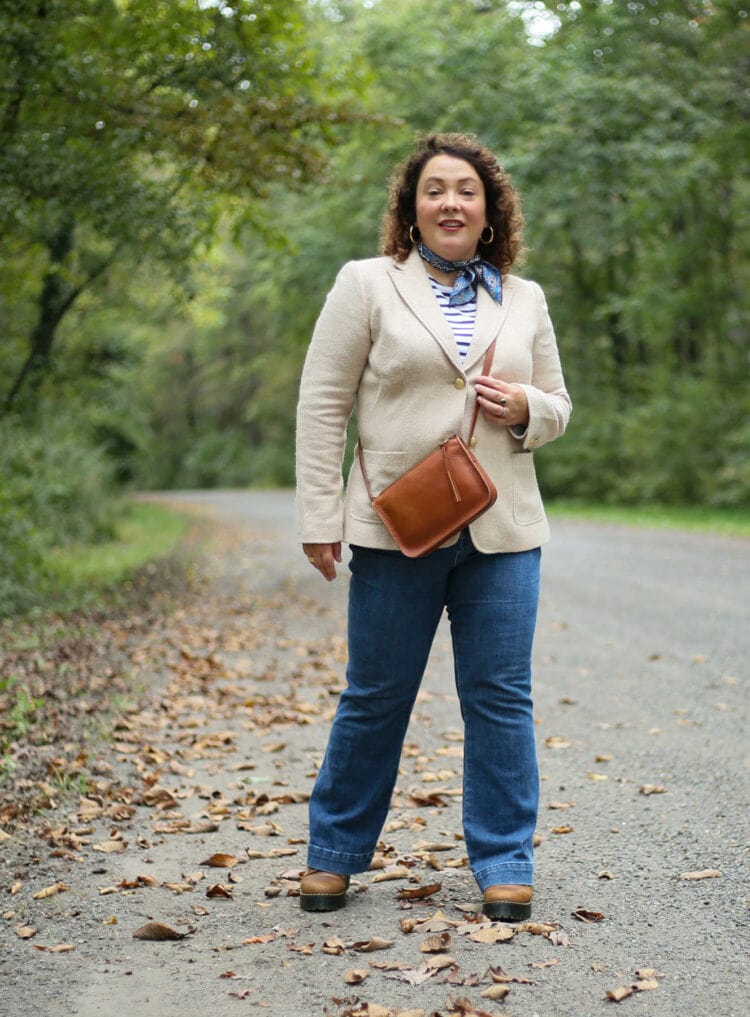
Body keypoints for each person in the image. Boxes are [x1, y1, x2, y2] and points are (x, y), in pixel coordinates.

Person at [294, 132, 571, 920]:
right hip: (396, 525)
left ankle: (504, 862)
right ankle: (333, 855)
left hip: (503, 529)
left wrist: (527, 409)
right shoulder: (367, 284)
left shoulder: (526, 298)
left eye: (467, 191)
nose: (451, 201)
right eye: (434, 190)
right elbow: (323, 404)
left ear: (490, 213)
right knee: (376, 695)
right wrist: (321, 515)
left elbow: (558, 403)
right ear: (412, 211)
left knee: (500, 698)